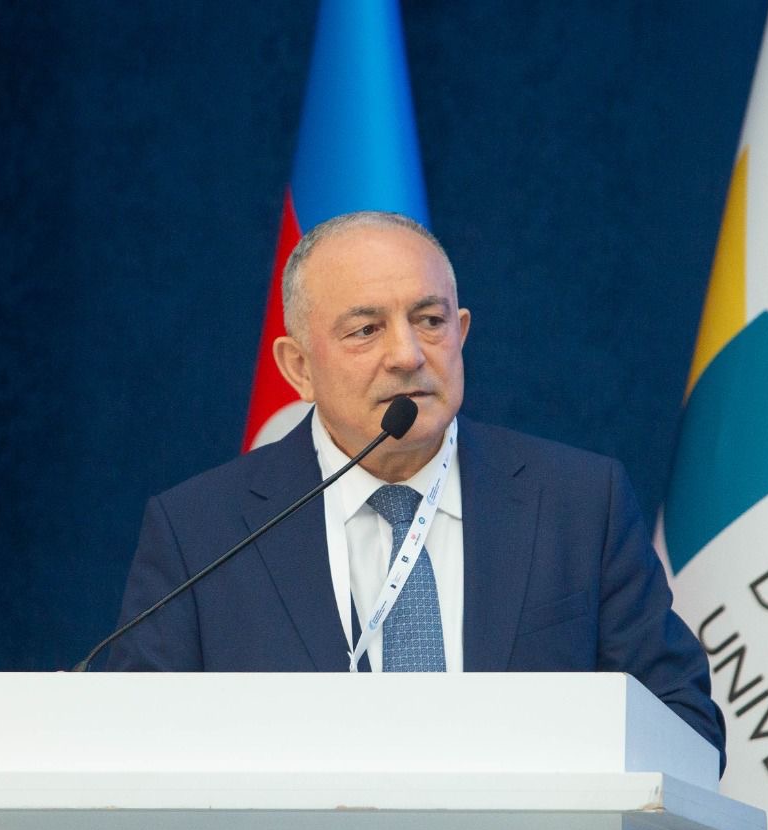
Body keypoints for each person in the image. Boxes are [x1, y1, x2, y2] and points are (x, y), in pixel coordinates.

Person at [107, 211, 724, 767]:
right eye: (365, 330)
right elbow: (136, 751)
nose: (407, 355)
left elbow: (686, 727)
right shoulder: (201, 532)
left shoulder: (578, 505)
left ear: (461, 332)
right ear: (299, 367)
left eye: (429, 321)